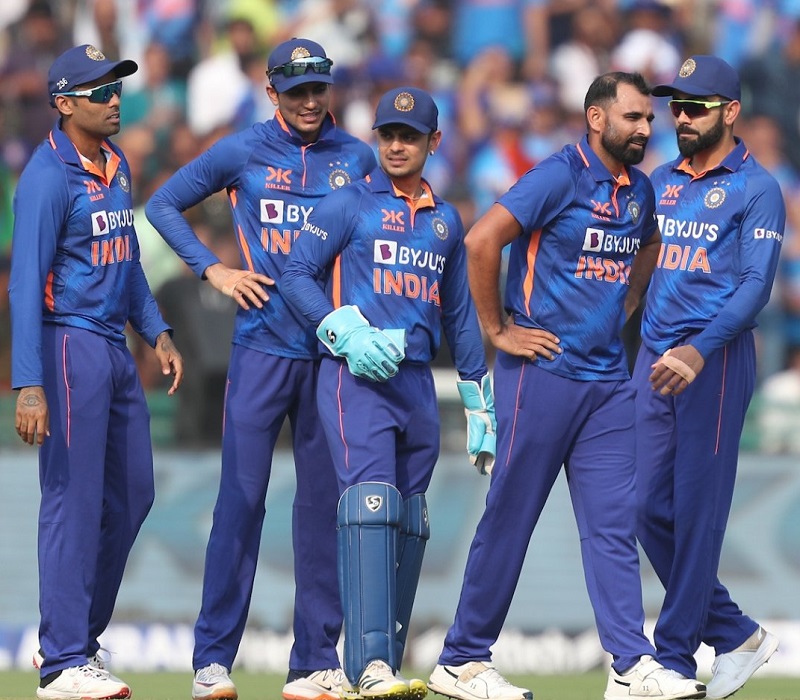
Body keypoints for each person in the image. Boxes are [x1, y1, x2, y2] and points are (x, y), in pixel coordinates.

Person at [426, 72, 708, 700]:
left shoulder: (639, 190)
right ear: (596, 119)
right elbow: (481, 240)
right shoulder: (557, 176)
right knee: (511, 515)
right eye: (633, 117)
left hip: (606, 380)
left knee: (613, 525)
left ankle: (631, 664)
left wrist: (626, 303)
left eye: (648, 119)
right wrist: (499, 329)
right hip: (541, 373)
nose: (646, 128)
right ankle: (462, 660)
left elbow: (651, 245)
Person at [145, 38, 377, 700]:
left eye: (318, 89)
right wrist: (212, 270)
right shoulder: (243, 150)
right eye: (295, 91)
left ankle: (314, 663)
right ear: (271, 91)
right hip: (261, 350)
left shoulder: (357, 158)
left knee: (322, 510)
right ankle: (212, 662)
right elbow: (162, 204)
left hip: (331, 358)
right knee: (240, 502)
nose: (309, 101)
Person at [281, 86, 496, 700]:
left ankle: (384, 666)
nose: (397, 145)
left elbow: (459, 314)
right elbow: (294, 273)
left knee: (407, 520)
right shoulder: (348, 203)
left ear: (434, 141)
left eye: (409, 136)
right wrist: (341, 330)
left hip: (417, 381)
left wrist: (478, 396)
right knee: (369, 508)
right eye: (388, 135)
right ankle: (367, 663)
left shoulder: (446, 221)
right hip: (357, 378)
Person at [8, 44, 183, 700]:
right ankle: (61, 662)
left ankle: (75, 639)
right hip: (68, 345)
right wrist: (29, 383)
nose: (115, 101)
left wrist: (156, 328)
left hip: (114, 346)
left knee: (134, 495)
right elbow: (24, 284)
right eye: (100, 92)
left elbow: (127, 257)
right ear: (63, 103)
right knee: (72, 501)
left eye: (117, 88)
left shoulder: (116, 164)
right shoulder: (46, 178)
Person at [636, 55, 784, 699]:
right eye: (676, 105)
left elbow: (756, 286)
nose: (682, 117)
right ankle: (736, 632)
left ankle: (672, 659)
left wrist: (699, 350)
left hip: (714, 359)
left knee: (697, 513)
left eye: (696, 106)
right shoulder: (659, 180)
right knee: (642, 507)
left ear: (731, 111)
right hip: (652, 356)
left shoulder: (757, 187)